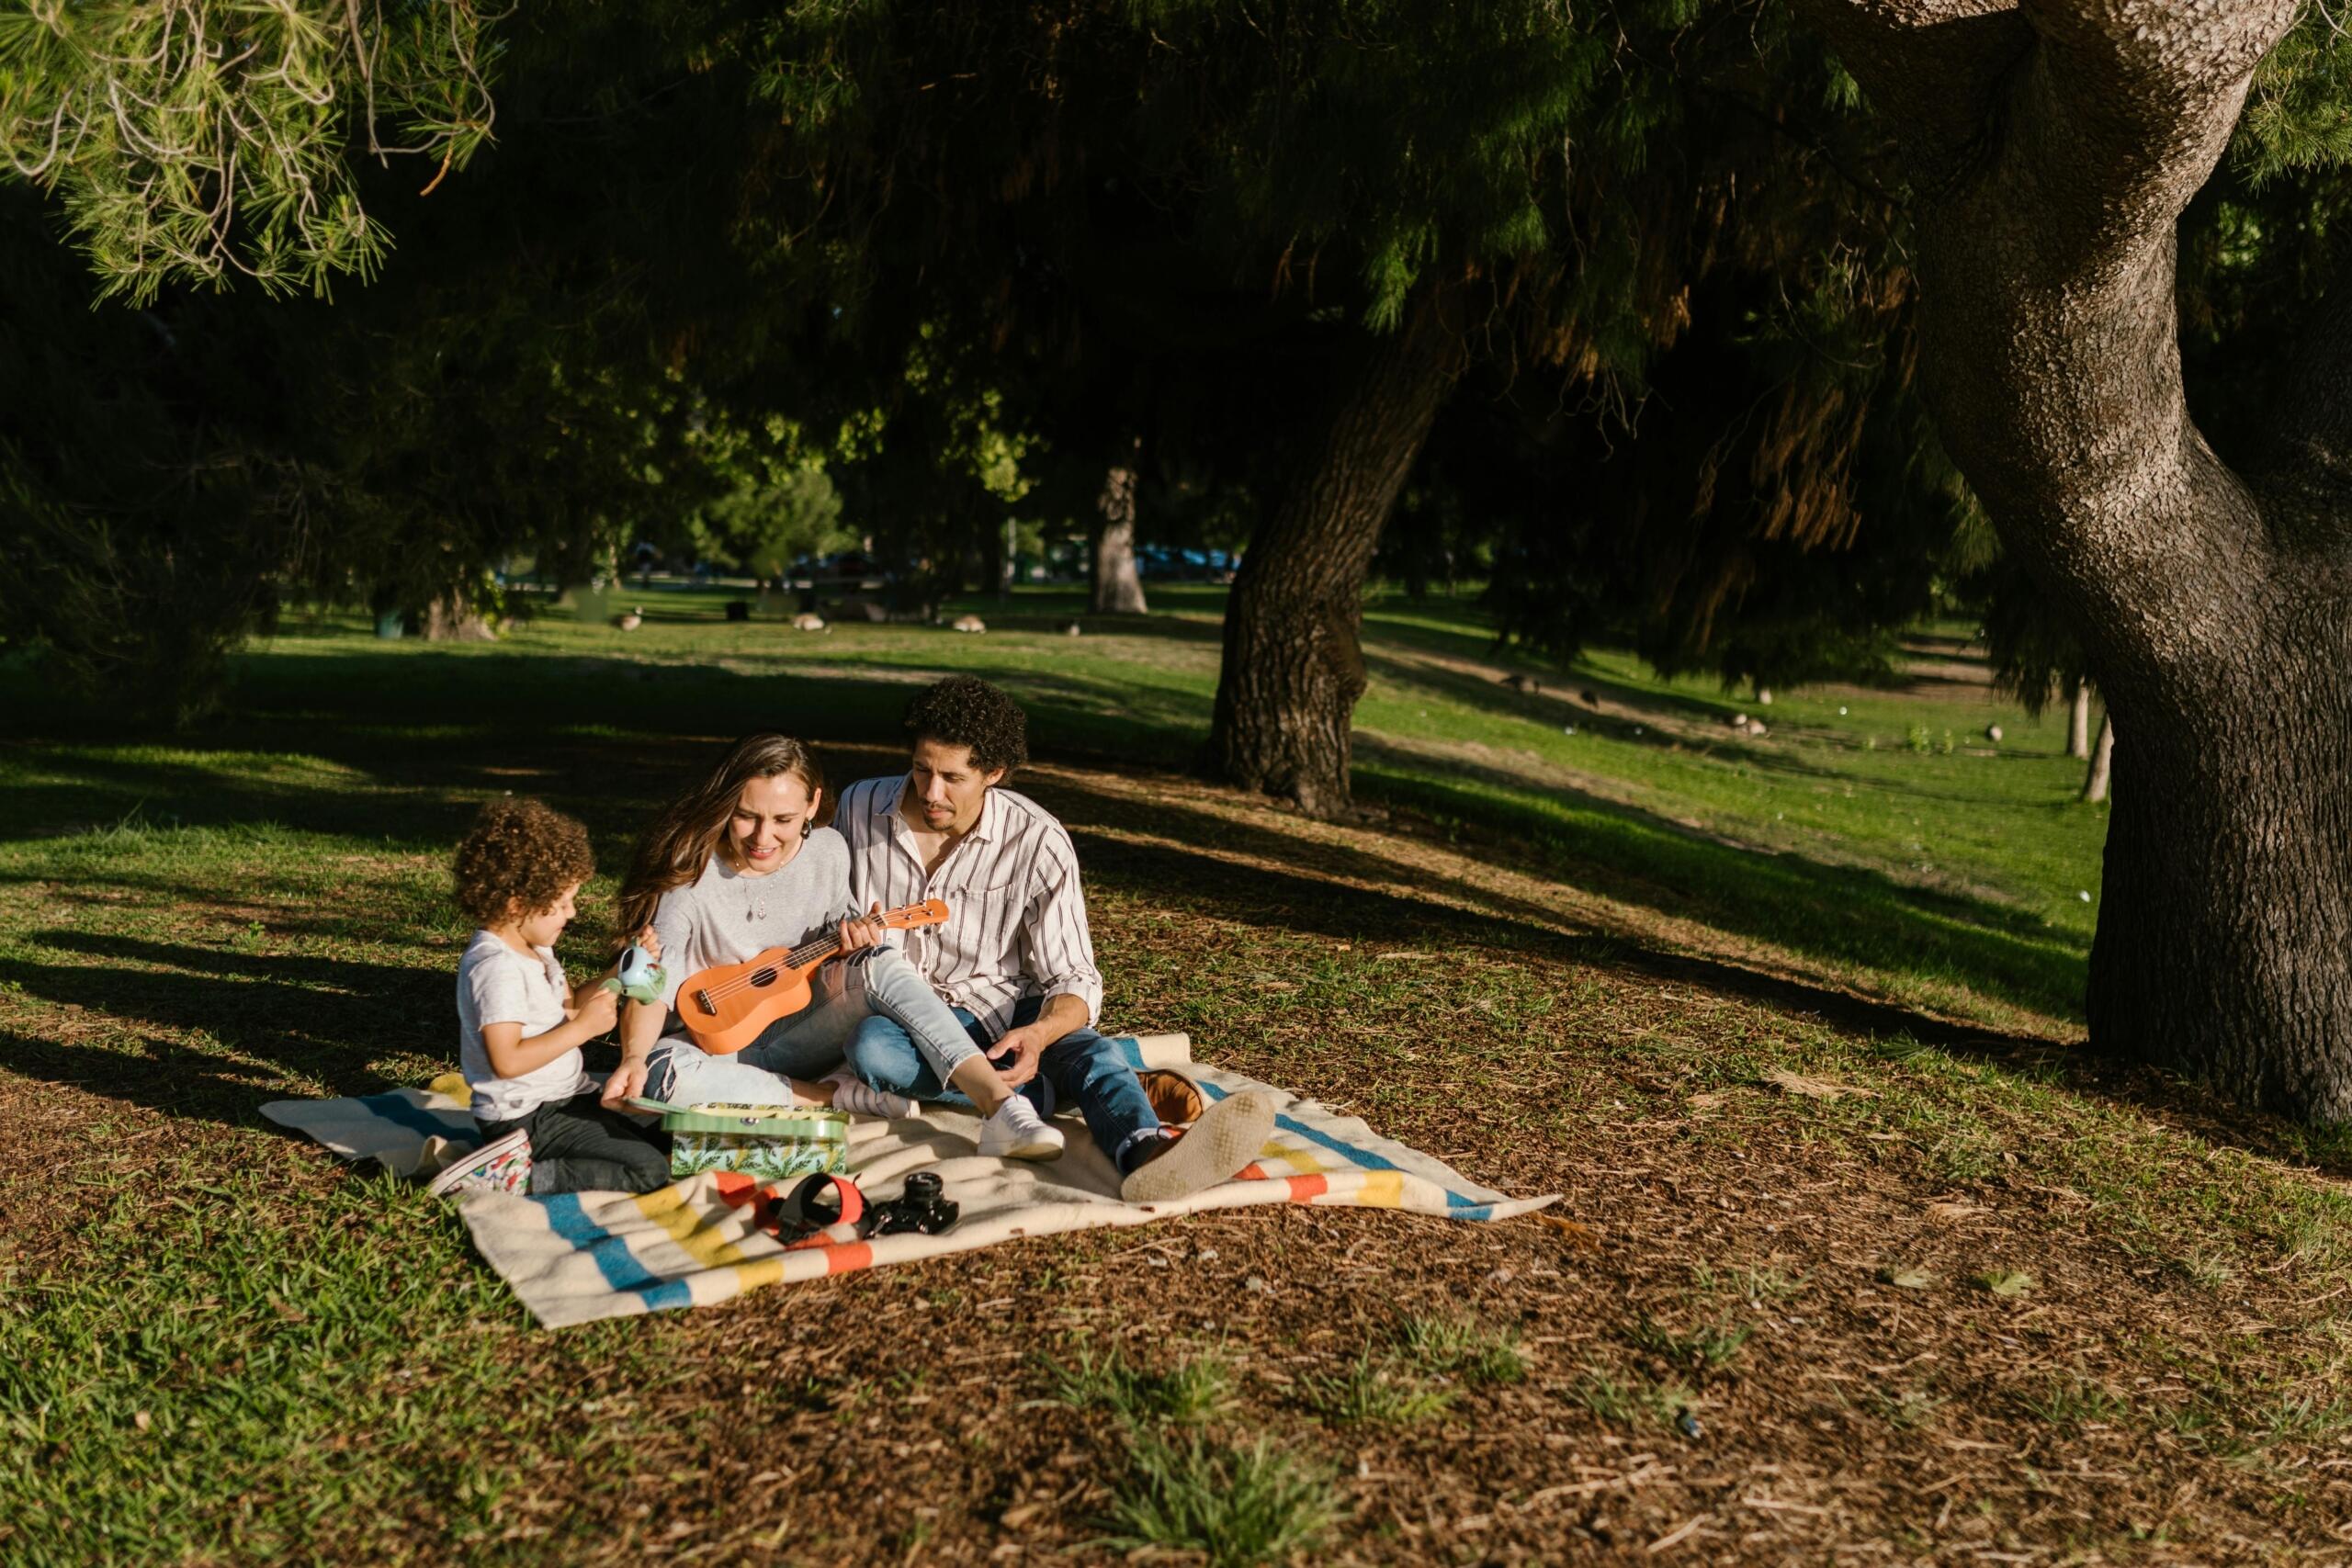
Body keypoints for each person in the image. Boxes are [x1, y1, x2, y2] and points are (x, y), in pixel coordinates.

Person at [835, 676, 1274, 1202]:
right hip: (903, 1018)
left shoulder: (1037, 840)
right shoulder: (859, 805)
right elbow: (829, 909)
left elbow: (1074, 976)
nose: (931, 792)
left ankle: (1147, 1149)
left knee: (1081, 1047)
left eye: (952, 777)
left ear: (993, 773)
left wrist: (1040, 1037)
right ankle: (1046, 1091)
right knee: (870, 1052)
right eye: (922, 769)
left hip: (1005, 1009)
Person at [598, 733, 1067, 1161]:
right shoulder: (692, 878)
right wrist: (634, 1057)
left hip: (804, 1032)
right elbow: (652, 987)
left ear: (812, 804)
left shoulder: (827, 852)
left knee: (878, 962)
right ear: (725, 806)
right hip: (717, 1052)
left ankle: (1001, 1107)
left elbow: (840, 949)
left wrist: (853, 942)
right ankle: (839, 1095)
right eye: (746, 816)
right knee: (661, 1073)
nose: (763, 838)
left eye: (783, 819)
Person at [428, 797, 672, 1198]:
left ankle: (532, 1161)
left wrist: (622, 970)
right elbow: (507, 1060)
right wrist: (581, 1030)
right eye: (561, 904)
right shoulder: (496, 968)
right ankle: (513, 1177)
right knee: (649, 1170)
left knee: (665, 1136)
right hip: (525, 1119)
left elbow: (570, 1007)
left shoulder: (534, 949)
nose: (571, 913)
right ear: (516, 905)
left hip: (565, 1098)